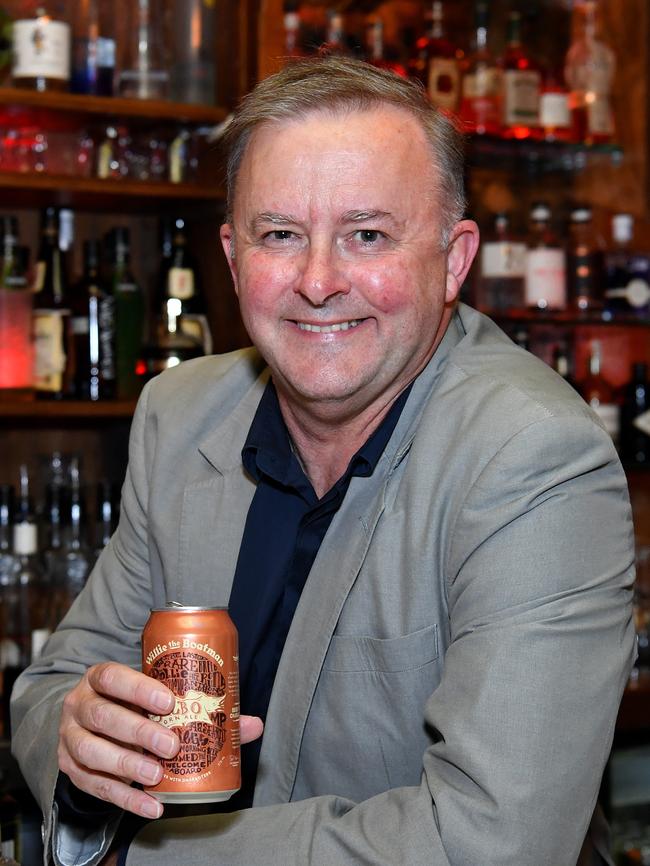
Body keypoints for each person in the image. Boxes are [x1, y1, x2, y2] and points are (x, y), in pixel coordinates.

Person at [12, 56, 635, 866]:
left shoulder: (535, 460)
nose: (316, 281)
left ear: (453, 260)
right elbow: (55, 683)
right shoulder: (179, 414)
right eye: (281, 236)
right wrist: (80, 744)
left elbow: (492, 843)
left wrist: (144, 856)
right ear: (233, 259)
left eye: (367, 235)